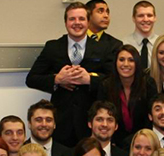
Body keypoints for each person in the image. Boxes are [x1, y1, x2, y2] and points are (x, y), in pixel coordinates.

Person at [26, 2, 117, 148]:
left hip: (91, 122)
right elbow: (32, 79)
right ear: (66, 22)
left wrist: (90, 80)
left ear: (88, 22)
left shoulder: (104, 48)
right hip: (62, 122)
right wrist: (57, 79)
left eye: (81, 19)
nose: (77, 23)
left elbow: (114, 81)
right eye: (72, 19)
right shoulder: (53, 47)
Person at [98, 45, 156, 146]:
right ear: (115, 63)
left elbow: (151, 117)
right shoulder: (106, 85)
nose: (125, 64)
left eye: (131, 60)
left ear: (137, 63)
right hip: (114, 142)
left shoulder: (148, 84)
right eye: (121, 60)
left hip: (144, 141)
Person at [124, 1, 159, 70]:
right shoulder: (124, 44)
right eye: (141, 16)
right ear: (133, 18)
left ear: (155, 18)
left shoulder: (161, 44)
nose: (145, 19)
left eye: (149, 15)